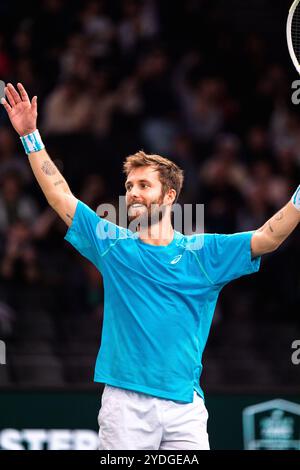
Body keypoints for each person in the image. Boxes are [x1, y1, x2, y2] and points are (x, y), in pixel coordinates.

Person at [2, 82, 300, 450]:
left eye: (144, 184)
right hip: (125, 406)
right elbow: (59, 194)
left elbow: (268, 237)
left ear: (170, 196)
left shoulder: (204, 254)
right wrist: (31, 135)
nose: (133, 193)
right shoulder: (114, 247)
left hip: (186, 409)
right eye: (129, 186)